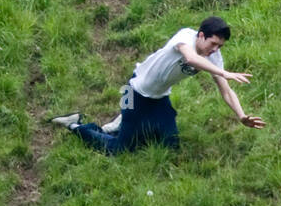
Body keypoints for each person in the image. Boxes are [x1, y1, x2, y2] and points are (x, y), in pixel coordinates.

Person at [52, 17, 265, 154]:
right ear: (201, 35)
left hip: (159, 99)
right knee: (120, 150)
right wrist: (224, 72)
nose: (215, 50)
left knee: (170, 146)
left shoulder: (214, 58)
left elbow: (226, 91)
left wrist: (241, 116)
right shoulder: (185, 36)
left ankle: (121, 124)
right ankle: (77, 126)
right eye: (213, 44)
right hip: (132, 91)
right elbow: (190, 59)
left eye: (220, 46)